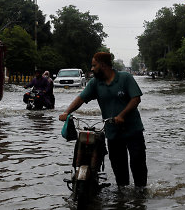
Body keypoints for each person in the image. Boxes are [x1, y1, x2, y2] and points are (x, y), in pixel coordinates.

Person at [59, 52, 147, 189]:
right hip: (113, 133)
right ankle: (123, 197)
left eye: (94, 65)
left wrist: (122, 116)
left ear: (103, 65)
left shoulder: (125, 78)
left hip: (133, 130)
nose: (92, 69)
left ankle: (141, 195)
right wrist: (66, 112)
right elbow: (81, 98)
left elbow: (136, 99)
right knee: (119, 168)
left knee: (138, 164)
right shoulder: (95, 83)